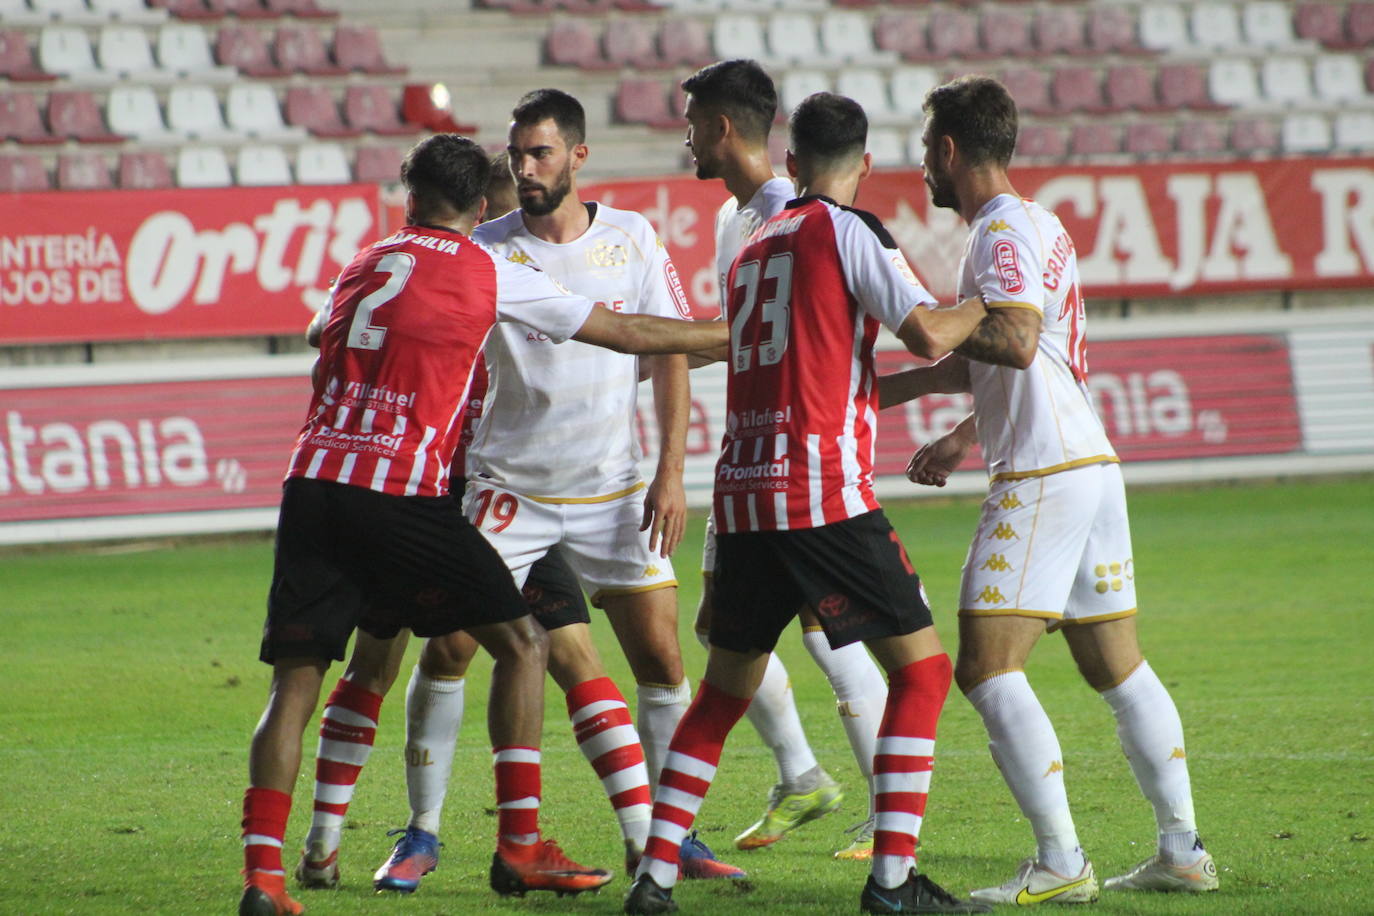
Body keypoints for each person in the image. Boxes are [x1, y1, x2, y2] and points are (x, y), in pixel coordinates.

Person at [238, 133, 727, 916]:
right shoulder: (485, 267)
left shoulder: (364, 263)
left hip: (313, 483)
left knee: (297, 685)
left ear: (408, 192)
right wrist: (744, 337)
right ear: (480, 207)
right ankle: (519, 842)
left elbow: (314, 335)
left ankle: (266, 880)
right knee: (521, 643)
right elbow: (630, 334)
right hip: (406, 491)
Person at [623, 93, 990, 916]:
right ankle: (893, 885)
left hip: (746, 497)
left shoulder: (755, 249)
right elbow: (930, 330)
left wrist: (922, 383)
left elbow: (823, 378)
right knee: (925, 673)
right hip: (822, 498)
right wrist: (989, 309)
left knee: (721, 696)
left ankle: (654, 880)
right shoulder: (847, 230)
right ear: (864, 167)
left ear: (789, 165)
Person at [901, 75, 1218, 905]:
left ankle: (1060, 860)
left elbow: (1013, 336)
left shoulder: (1000, 228)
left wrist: (951, 310)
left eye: (925, 150)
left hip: (1045, 468)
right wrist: (908, 401)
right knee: (1117, 666)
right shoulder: (1037, 224)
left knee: (985, 664)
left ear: (948, 150)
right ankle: (1182, 849)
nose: (922, 169)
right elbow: (1022, 352)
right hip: (1087, 461)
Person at [680, 59, 894, 860]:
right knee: (725, 628)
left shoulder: (793, 212)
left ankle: (878, 810)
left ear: (724, 128)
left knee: (826, 629)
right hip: (751, 453)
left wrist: (638, 343)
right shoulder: (732, 219)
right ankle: (804, 775)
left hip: (801, 460)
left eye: (695, 121)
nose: (687, 136)